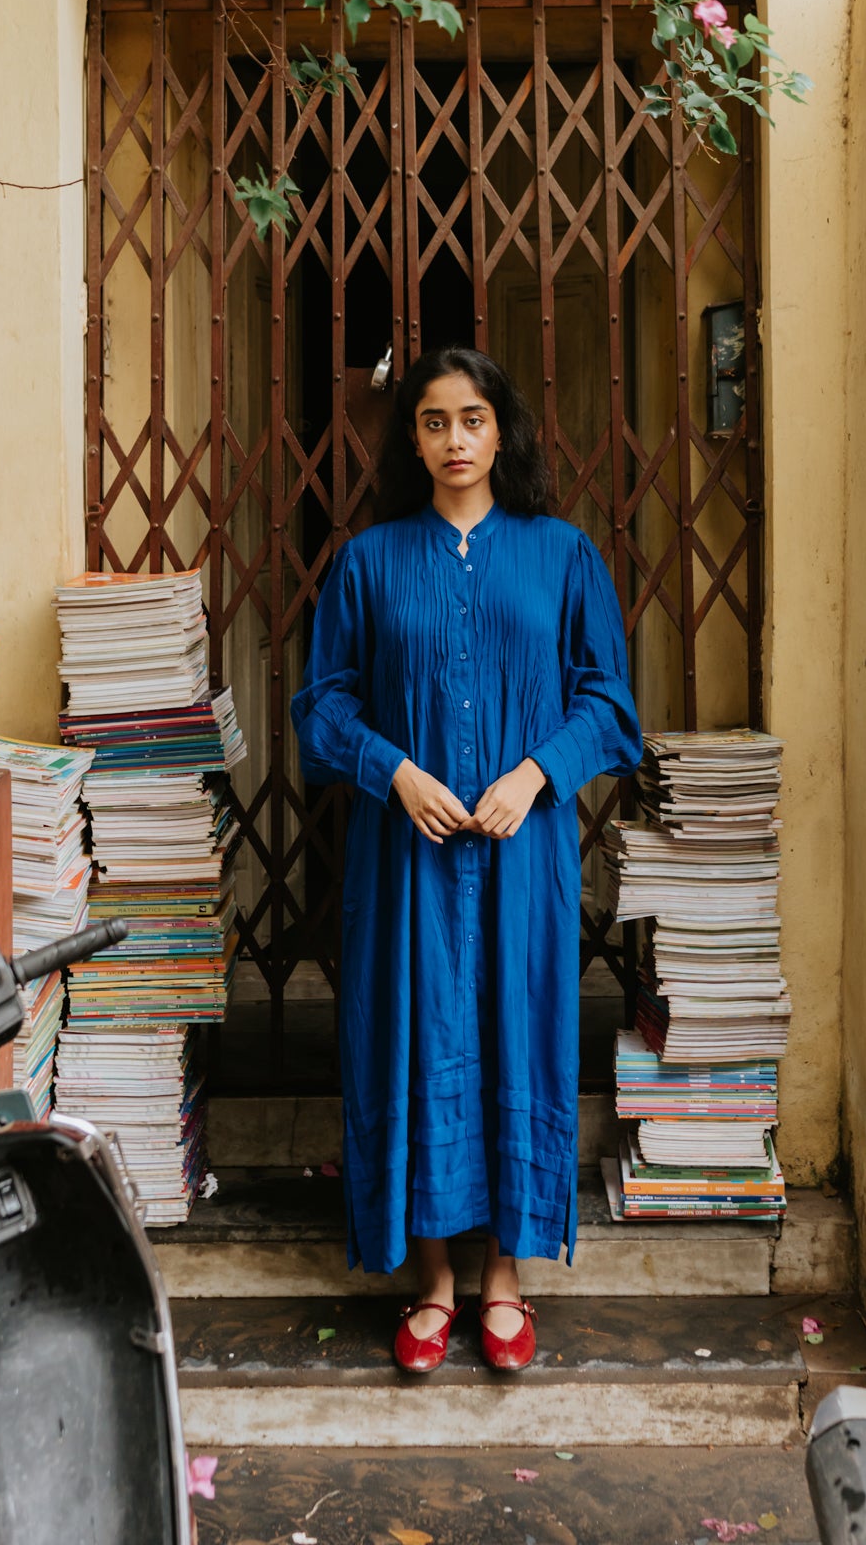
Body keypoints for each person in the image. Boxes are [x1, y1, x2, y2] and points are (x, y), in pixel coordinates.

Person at [291, 346, 642, 1375]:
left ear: (503, 433)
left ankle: (504, 1278)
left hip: (522, 858)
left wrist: (537, 773)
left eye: (473, 419)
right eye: (435, 421)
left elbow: (608, 704)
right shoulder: (369, 562)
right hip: (406, 864)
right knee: (413, 1038)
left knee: (515, 1036)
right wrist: (393, 771)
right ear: (411, 438)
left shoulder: (560, 554)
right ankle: (434, 1278)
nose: (455, 439)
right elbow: (321, 707)